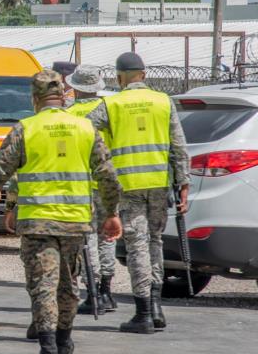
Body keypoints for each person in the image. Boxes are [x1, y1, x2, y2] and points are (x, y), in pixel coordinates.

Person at [0, 69, 122, 354]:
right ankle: (64, 339)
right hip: (74, 222)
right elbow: (107, 175)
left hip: (38, 223)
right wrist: (111, 213)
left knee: (43, 283)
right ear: (63, 95)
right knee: (67, 282)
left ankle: (48, 343)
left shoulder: (26, 128)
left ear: (35, 98)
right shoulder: (85, 128)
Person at [86, 52, 190, 334]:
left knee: (136, 246)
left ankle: (143, 311)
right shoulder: (163, 102)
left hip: (127, 186)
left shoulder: (112, 104)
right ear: (143, 75)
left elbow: (83, 129)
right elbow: (179, 147)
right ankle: (156, 308)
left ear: (119, 78)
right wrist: (183, 184)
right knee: (154, 241)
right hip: (158, 185)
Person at [65, 65, 119, 315]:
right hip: (107, 182)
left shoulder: (70, 114)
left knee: (88, 240)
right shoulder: (108, 111)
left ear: (75, 87)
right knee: (108, 235)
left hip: (83, 185)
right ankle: (107, 290)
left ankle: (93, 291)